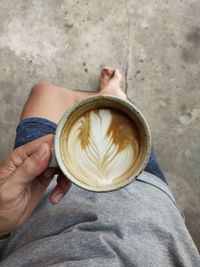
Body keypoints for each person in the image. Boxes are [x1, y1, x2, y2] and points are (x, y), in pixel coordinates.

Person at [0, 67, 199, 267]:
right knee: (123, 115)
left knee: (44, 91)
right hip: (143, 189)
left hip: (39, 197)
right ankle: (111, 97)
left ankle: (107, 98)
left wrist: (1, 225)